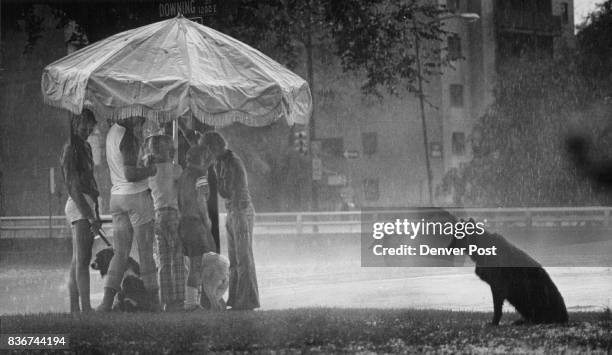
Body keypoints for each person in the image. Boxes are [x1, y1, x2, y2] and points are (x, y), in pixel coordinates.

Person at [97, 116, 158, 312]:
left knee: (120, 253)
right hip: (136, 197)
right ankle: (154, 303)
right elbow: (130, 174)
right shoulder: (129, 137)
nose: (143, 118)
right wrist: (150, 170)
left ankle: (106, 303)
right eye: (140, 114)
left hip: (117, 197)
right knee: (146, 251)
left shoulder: (112, 133)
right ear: (131, 112)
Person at [199, 132, 260, 310]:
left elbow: (230, 190)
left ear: (214, 147)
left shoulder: (232, 162)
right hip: (233, 210)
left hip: (240, 210)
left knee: (243, 258)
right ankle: (236, 298)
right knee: (235, 260)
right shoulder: (221, 162)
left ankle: (246, 300)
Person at [60, 109, 101, 313]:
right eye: (84, 125)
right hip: (79, 205)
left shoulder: (84, 147)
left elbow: (91, 183)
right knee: (83, 260)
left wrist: (97, 213)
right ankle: (85, 308)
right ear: (75, 123)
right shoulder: (71, 149)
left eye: (90, 127)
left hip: (86, 204)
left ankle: (76, 308)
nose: (88, 130)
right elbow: (73, 187)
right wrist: (89, 215)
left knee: (78, 260)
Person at [145, 134, 185, 312]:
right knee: (177, 259)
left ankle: (166, 300)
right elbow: (183, 189)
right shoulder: (176, 169)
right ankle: (179, 299)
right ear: (170, 150)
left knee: (163, 260)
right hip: (174, 215)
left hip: (158, 216)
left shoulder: (149, 171)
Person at [178, 146, 217, 311]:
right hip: (195, 222)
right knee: (196, 265)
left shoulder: (184, 174)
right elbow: (201, 198)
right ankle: (192, 303)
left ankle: (191, 301)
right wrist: (207, 220)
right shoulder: (200, 175)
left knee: (189, 265)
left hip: (183, 223)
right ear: (201, 158)